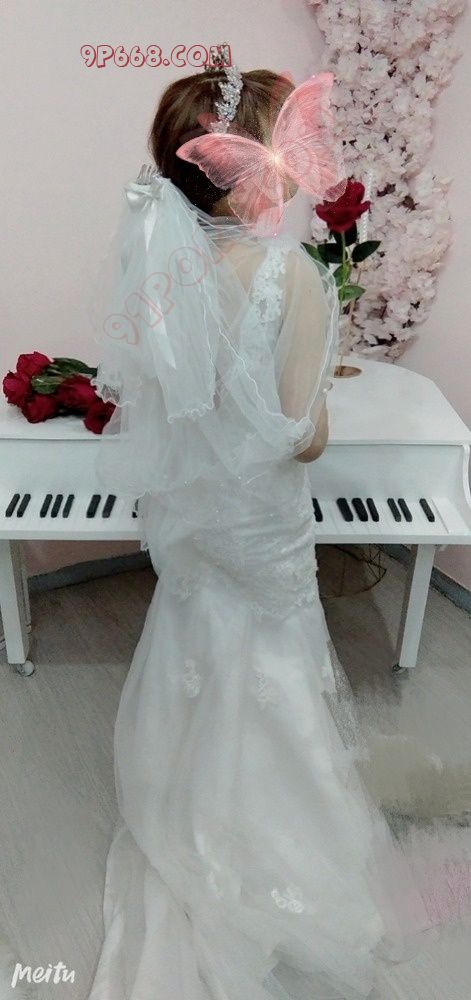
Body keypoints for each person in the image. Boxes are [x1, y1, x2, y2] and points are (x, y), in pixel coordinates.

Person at [87, 63, 433, 1000]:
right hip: (262, 521)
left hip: (198, 520)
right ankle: (277, 831)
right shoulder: (293, 277)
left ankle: (185, 794)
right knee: (275, 660)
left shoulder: (162, 269)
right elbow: (301, 438)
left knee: (196, 635)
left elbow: (169, 401)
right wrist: (318, 406)